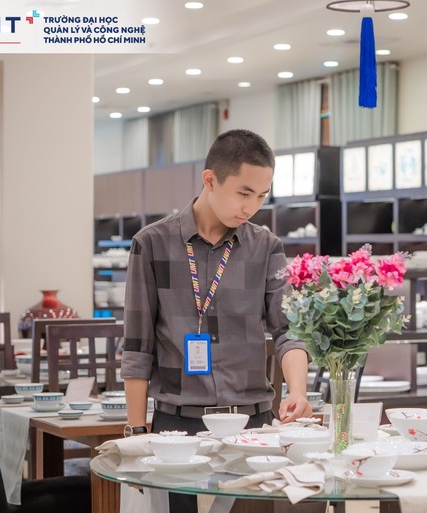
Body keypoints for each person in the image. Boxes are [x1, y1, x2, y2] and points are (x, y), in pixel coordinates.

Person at [120, 129, 312, 509]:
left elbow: (289, 331)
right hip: (177, 429)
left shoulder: (266, 247)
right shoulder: (152, 243)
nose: (251, 207)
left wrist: (299, 392)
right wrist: (137, 431)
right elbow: (137, 348)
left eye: (262, 196)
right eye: (244, 193)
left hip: (253, 428)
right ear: (210, 179)